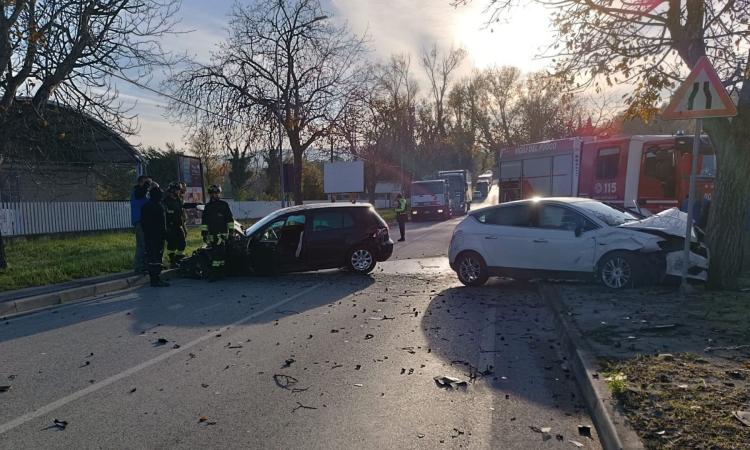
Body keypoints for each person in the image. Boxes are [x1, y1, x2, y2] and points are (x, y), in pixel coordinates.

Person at [201, 184, 235, 281]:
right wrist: (204, 233)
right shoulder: (208, 207)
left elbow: (230, 220)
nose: (214, 195)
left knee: (220, 254)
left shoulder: (224, 205)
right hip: (212, 235)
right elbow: (204, 222)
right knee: (216, 255)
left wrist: (231, 232)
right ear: (210, 194)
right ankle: (216, 273)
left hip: (223, 235)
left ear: (219, 194)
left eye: (216, 193)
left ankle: (219, 273)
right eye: (212, 193)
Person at [140, 184, 169, 287]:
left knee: (151, 257)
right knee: (157, 257)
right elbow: (162, 223)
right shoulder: (159, 207)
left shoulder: (145, 207)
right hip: (158, 237)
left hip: (148, 236)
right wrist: (165, 235)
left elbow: (142, 223)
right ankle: (156, 279)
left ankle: (153, 278)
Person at [130, 175, 152, 273]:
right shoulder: (137, 191)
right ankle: (139, 267)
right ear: (140, 183)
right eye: (145, 182)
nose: (147, 185)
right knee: (142, 245)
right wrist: (148, 184)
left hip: (145, 221)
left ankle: (145, 265)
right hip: (139, 221)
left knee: (146, 244)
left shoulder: (144, 192)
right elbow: (141, 193)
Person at [164, 183, 187, 268]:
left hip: (178, 226)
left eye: (178, 190)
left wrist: (195, 205)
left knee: (182, 244)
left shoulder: (178, 200)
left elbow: (183, 208)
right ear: (172, 191)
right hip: (170, 227)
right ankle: (172, 261)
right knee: (171, 245)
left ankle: (177, 258)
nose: (178, 192)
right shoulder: (166, 201)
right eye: (177, 190)